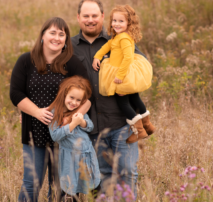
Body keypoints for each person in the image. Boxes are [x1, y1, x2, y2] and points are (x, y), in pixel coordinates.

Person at [71, 0, 152, 198]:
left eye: (94, 16)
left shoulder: (120, 40)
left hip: (120, 123)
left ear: (102, 16)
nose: (90, 20)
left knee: (127, 172)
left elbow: (143, 69)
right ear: (78, 18)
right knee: (101, 176)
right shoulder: (70, 47)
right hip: (90, 127)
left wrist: (127, 85)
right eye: (86, 16)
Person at [10, 17, 90, 202]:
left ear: (66, 40)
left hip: (65, 136)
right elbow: (16, 93)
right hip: (34, 133)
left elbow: (88, 97)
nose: (57, 38)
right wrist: (37, 112)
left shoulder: (72, 63)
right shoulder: (26, 61)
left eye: (62, 34)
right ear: (42, 36)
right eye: (52, 33)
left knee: (63, 186)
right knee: (32, 184)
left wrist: (72, 118)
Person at [92, 5, 155, 143]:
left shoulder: (124, 38)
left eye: (121, 21)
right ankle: (148, 125)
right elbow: (106, 46)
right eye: (114, 20)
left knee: (123, 102)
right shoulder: (117, 37)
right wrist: (97, 56)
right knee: (135, 98)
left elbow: (127, 58)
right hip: (124, 71)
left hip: (123, 73)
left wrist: (119, 77)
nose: (116, 24)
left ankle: (139, 131)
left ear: (129, 23)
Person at [48, 76, 100, 202]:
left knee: (93, 186)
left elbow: (90, 126)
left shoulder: (80, 111)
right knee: (71, 187)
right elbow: (55, 136)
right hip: (69, 157)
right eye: (71, 97)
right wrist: (72, 124)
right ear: (65, 94)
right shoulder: (54, 113)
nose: (74, 102)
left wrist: (81, 121)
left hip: (87, 155)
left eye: (78, 100)